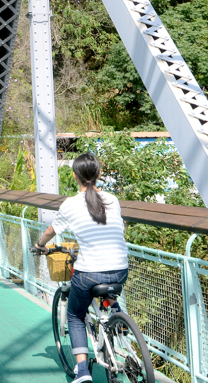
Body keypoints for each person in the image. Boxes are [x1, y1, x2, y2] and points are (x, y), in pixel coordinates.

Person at [34, 153, 129, 383]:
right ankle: (116, 311)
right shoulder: (112, 199)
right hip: (121, 268)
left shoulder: (70, 204)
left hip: (89, 272)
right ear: (98, 174)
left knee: (75, 315)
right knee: (105, 287)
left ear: (75, 176)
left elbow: (51, 231)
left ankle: (83, 372)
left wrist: (40, 246)